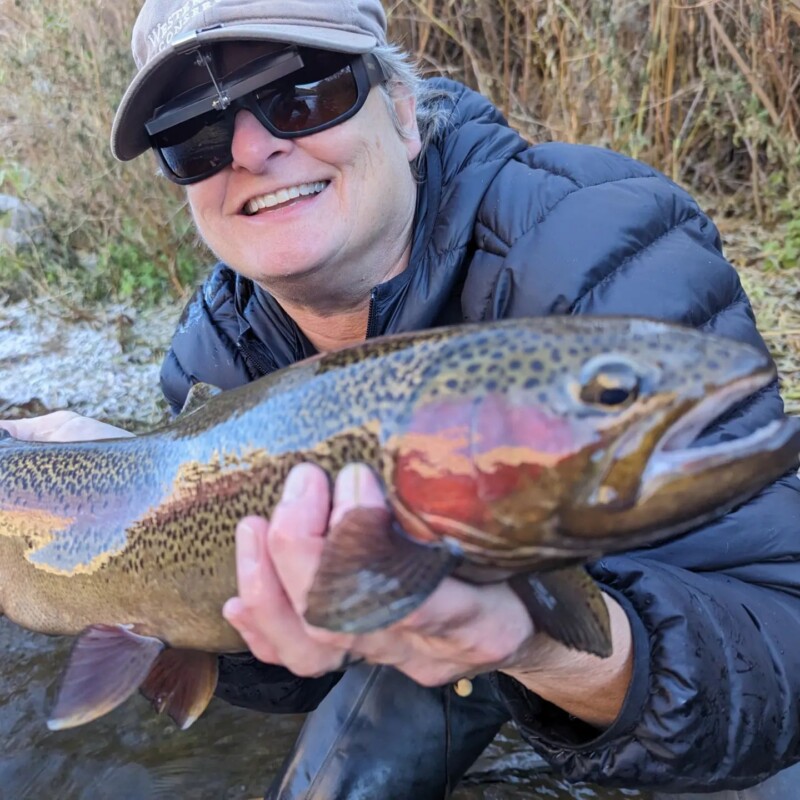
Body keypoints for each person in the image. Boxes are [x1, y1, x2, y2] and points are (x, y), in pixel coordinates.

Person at [4, 0, 800, 797]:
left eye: (302, 94)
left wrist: (537, 650)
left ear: (406, 114)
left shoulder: (604, 246)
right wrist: (140, 544)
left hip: (662, 620)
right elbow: (299, 671)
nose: (251, 147)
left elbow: (783, 643)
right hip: (422, 612)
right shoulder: (214, 355)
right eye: (194, 136)